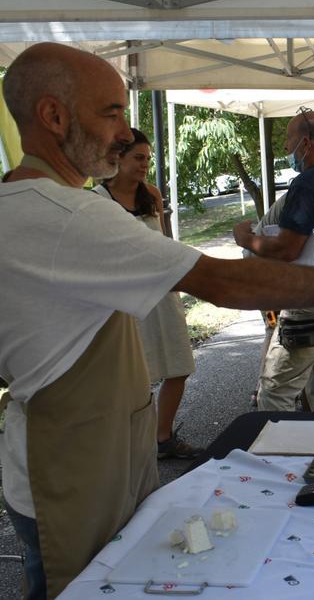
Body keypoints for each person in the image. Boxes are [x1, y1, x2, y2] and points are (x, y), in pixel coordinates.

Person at [0, 42, 314, 599]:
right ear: (54, 116)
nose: (125, 132)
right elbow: (223, 282)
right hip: (69, 475)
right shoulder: (64, 214)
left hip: (94, 458)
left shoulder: (36, 201)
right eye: (111, 113)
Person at [232, 109, 314, 413]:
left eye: (289, 141)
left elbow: (287, 249)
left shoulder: (308, 184)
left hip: (310, 305)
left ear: (306, 143)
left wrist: (246, 239)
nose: (286, 149)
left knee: (274, 393)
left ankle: (274, 459)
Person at [93, 129, 200, 460]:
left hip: (163, 295)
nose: (144, 165)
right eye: (138, 158)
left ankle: (162, 438)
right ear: (118, 157)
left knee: (178, 366)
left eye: (148, 159)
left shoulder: (151, 194)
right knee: (134, 377)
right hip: (125, 302)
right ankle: (130, 447)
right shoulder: (97, 200)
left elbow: (164, 242)